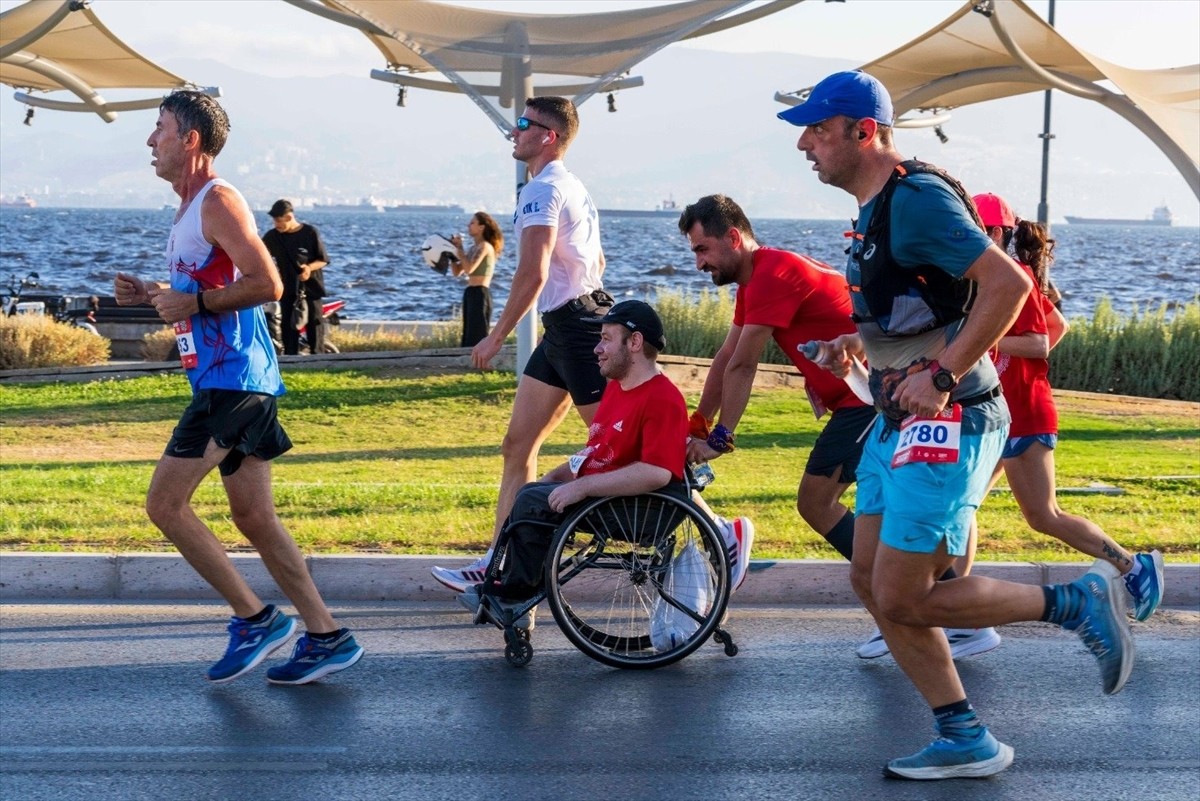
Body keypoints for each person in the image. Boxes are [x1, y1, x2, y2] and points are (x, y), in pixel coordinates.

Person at [778, 70, 1134, 780]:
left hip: (953, 417)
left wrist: (938, 374)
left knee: (904, 593)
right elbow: (923, 301)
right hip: (894, 422)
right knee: (870, 580)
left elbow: (1009, 285)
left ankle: (1074, 601)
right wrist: (863, 343)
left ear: (864, 131)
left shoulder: (914, 200)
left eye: (818, 130)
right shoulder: (882, 209)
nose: (806, 145)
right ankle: (962, 733)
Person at [431, 97, 751, 593]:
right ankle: (498, 559)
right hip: (568, 327)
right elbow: (593, 257)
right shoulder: (566, 186)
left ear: (548, 136)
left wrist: (495, 336)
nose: (513, 133)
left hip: (578, 329)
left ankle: (720, 530)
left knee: (625, 447)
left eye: (523, 125)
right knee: (517, 445)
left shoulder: (542, 190)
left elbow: (534, 271)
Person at [678, 194, 999, 660]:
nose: (698, 263)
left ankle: (949, 618)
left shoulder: (771, 273)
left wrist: (721, 437)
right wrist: (700, 422)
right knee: (874, 510)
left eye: (702, 250)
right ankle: (914, 614)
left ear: (733, 237)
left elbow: (745, 365)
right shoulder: (756, 279)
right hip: (861, 401)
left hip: (869, 401)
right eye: (693, 253)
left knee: (818, 500)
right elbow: (727, 357)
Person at [114, 90, 362, 686]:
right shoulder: (189, 209)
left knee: (163, 505)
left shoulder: (217, 200)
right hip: (233, 380)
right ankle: (327, 635)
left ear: (191, 140)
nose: (151, 141)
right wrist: (154, 294)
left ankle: (256, 620)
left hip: (233, 383)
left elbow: (268, 283)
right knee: (255, 518)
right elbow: (205, 294)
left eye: (160, 129)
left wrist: (191, 301)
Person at [972, 192, 1163, 618]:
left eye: (979, 229)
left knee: (1043, 516)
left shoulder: (1014, 275)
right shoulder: (992, 276)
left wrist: (984, 342)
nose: (971, 236)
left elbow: (1040, 341)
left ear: (999, 233)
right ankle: (952, 611)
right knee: (959, 511)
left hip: (1024, 416)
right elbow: (1058, 323)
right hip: (993, 415)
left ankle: (1134, 567)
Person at [456, 300, 688, 622]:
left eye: (607, 338)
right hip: (609, 497)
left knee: (532, 504)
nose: (597, 349)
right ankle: (508, 591)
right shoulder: (618, 391)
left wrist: (582, 489)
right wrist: (562, 474)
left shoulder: (662, 399)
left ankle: (513, 599)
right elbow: (598, 450)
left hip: (639, 509)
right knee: (532, 493)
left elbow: (657, 472)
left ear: (634, 343)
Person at [262, 199, 329, 355]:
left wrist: (308, 268)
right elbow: (262, 257)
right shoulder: (272, 237)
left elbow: (323, 260)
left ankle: (317, 357)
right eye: (274, 221)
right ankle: (291, 358)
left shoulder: (310, 233)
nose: (276, 224)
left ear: (289, 217)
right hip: (288, 289)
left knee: (315, 324)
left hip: (311, 288)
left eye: (279, 221)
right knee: (288, 326)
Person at [449, 211, 503, 347]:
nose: (469, 225)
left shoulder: (485, 247)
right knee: (468, 333)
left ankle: (480, 363)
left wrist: (460, 249)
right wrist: (451, 253)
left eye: (472, 223)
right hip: (470, 292)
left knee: (478, 333)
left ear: (481, 227)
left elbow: (469, 269)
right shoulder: (474, 248)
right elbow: (457, 272)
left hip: (480, 293)